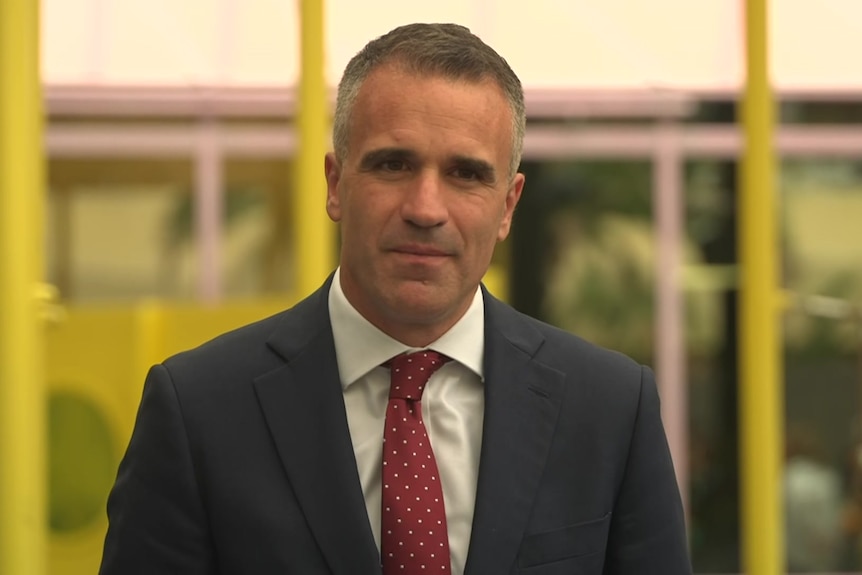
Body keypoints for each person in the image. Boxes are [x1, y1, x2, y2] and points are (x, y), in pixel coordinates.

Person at [99, 23, 691, 575]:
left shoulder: (609, 409)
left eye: (465, 174)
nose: (426, 208)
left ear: (508, 206)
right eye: (393, 164)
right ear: (336, 184)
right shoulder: (199, 410)